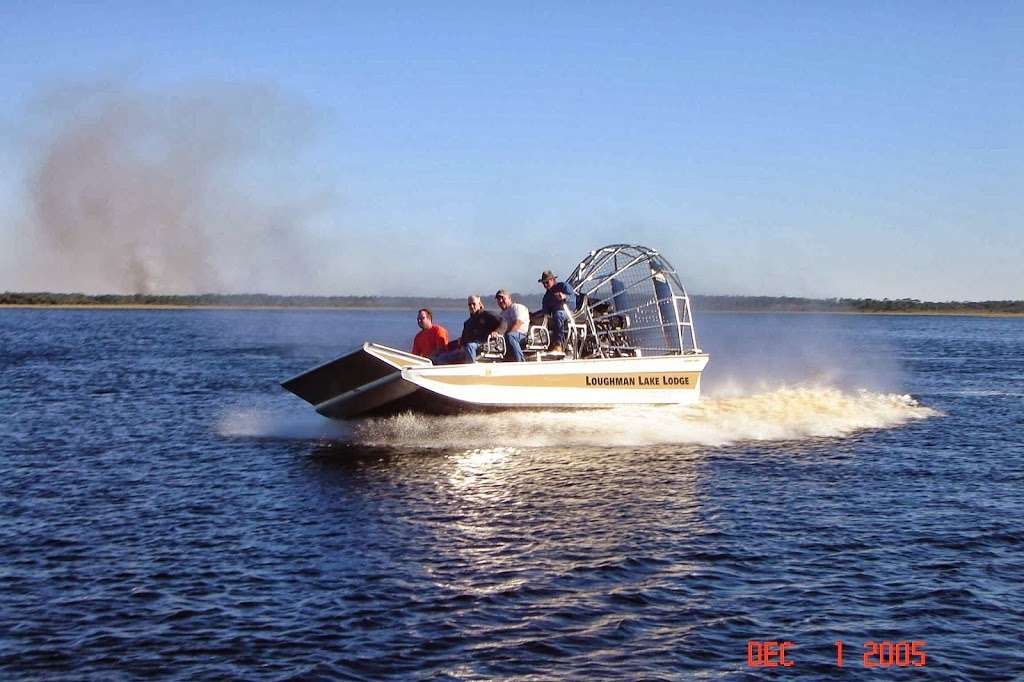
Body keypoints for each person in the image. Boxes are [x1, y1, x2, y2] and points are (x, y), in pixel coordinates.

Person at [432, 295, 501, 364]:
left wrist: (497, 332)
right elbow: (463, 340)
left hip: (482, 344)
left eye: (474, 304)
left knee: (470, 346)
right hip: (466, 348)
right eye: (469, 304)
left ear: (479, 304)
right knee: (441, 357)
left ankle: (471, 367)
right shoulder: (468, 322)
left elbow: (503, 322)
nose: (471, 306)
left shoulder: (486, 315)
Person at [536, 270, 578, 353]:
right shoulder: (546, 297)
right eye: (543, 283)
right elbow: (545, 312)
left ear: (552, 280)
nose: (545, 285)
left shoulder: (563, 286)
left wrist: (564, 297)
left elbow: (573, 301)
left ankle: (558, 344)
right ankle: (543, 344)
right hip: (556, 315)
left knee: (558, 314)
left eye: (546, 282)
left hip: (569, 312)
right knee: (542, 320)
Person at [493, 289, 529, 362]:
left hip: (521, 335)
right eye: (498, 299)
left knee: (510, 336)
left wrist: (505, 336)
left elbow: (518, 323)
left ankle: (520, 362)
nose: (500, 301)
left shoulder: (516, 307)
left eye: (503, 298)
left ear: (509, 298)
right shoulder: (501, 315)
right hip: (507, 336)